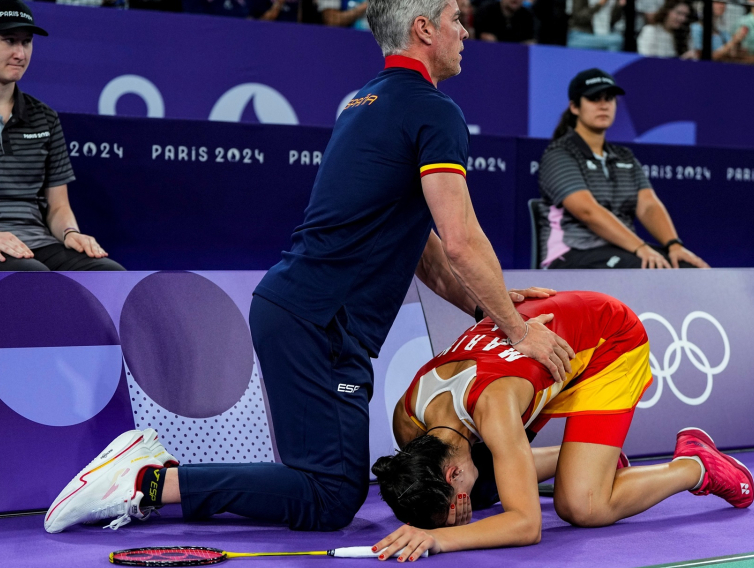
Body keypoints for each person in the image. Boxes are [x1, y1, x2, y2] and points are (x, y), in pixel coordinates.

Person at [45, 0, 574, 534]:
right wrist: (516, 329)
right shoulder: (434, 111)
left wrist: (488, 309)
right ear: (424, 29)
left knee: (317, 482)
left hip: (296, 312)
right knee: (330, 497)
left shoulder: (365, 102)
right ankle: (150, 481)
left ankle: (150, 475)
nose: (466, 31)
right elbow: (462, 241)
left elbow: (425, 249)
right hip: (321, 325)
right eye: (456, 19)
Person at [370, 291, 754, 561]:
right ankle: (589, 464)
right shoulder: (409, 421)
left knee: (582, 506)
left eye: (456, 504)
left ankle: (696, 465)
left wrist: (438, 538)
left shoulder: (495, 407)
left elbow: (526, 526)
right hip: (543, 337)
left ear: (452, 471)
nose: (459, 512)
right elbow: (458, 478)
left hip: (607, 339)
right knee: (487, 485)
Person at [536, 68, 708, 270]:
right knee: (649, 268)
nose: (603, 105)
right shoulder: (559, 153)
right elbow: (587, 212)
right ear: (574, 107)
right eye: (594, 98)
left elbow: (648, 206)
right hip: (570, 254)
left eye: (609, 98)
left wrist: (674, 245)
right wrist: (640, 247)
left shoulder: (624, 156)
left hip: (620, 250)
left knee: (690, 269)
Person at [0, 0, 124, 272]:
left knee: (109, 274)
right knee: (33, 276)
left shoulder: (45, 117)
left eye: (27, 42)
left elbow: (57, 207)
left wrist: (70, 233)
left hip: (37, 243)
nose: (20, 54)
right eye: (9, 40)